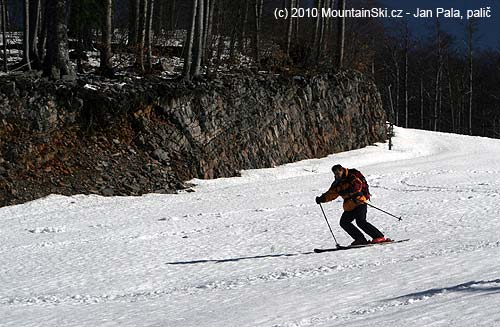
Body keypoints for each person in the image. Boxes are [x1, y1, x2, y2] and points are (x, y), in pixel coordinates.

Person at [315, 164, 389, 246]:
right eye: (335, 173)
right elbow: (331, 194)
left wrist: (347, 191)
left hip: (359, 202)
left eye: (338, 173)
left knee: (361, 221)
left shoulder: (351, 176)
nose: (337, 175)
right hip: (349, 206)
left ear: (342, 170)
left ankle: (379, 237)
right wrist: (321, 199)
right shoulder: (337, 183)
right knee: (344, 222)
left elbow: (358, 185)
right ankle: (360, 239)